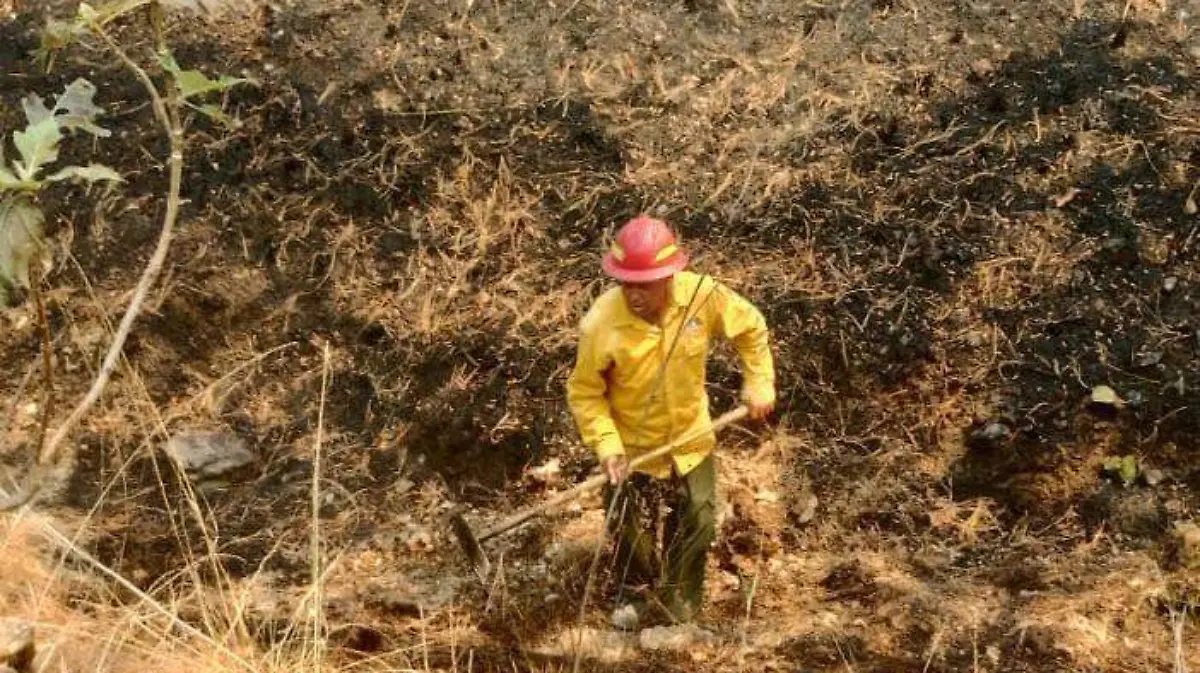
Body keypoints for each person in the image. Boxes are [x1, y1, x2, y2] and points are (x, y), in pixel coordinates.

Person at [566, 215, 776, 627]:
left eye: (643, 283)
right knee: (627, 520)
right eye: (625, 282)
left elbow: (750, 328)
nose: (633, 293)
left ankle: (680, 604)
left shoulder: (702, 296)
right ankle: (636, 595)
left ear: (669, 276)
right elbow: (585, 393)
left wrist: (760, 382)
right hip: (630, 445)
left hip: (690, 437)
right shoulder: (601, 323)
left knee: (697, 516)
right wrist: (607, 446)